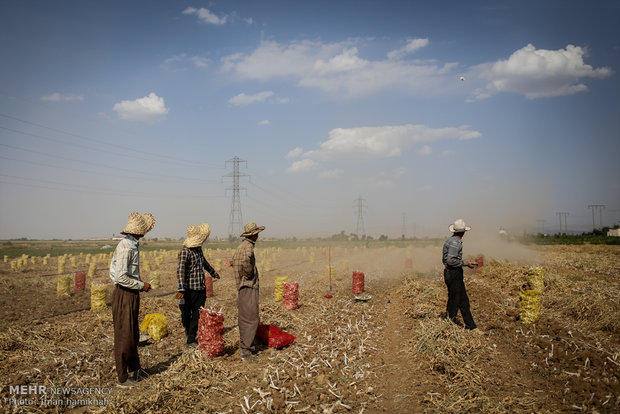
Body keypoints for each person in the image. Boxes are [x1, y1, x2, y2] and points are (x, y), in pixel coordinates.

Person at [109, 211, 155, 387]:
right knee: (124, 336)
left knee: (132, 334)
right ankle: (122, 378)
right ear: (140, 230)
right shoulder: (126, 247)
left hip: (130, 293)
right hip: (124, 294)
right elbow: (120, 277)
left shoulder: (131, 244)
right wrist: (140, 285)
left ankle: (135, 369)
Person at [175, 222, 219, 347]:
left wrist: (213, 272)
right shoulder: (185, 251)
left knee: (197, 314)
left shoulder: (199, 249)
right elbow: (180, 270)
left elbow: (204, 262)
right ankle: (189, 332)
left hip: (201, 287)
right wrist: (181, 289)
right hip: (188, 289)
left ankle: (191, 339)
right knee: (185, 314)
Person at [232, 222, 265, 360]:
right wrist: (249, 274)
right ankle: (246, 351)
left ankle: (246, 345)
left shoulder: (242, 246)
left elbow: (234, 261)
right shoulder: (248, 248)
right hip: (248, 285)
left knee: (246, 316)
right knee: (250, 318)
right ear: (254, 235)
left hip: (242, 285)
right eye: (257, 234)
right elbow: (245, 262)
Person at [442, 219, 478, 331]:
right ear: (463, 232)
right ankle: (448, 325)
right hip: (454, 273)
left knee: (463, 300)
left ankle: (471, 326)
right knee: (454, 300)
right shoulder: (455, 242)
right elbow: (450, 260)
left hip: (452, 273)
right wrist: (466, 263)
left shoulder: (450, 240)